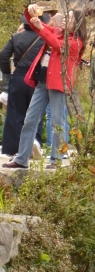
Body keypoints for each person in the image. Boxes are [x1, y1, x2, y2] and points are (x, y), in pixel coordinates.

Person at [11, 7, 86, 169]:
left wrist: (41, 27)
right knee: (30, 120)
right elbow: (43, 28)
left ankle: (56, 160)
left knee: (57, 123)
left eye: (69, 18)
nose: (65, 20)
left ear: (78, 23)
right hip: (42, 82)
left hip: (59, 84)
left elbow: (55, 44)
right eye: (65, 17)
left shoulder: (76, 43)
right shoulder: (58, 32)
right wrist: (30, 13)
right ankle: (21, 159)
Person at [1, 10, 49, 165]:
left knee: (16, 113)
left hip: (20, 77)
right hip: (37, 78)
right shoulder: (44, 39)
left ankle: (15, 150)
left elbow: (3, 56)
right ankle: (35, 143)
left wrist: (7, 75)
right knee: (36, 114)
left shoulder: (16, 37)